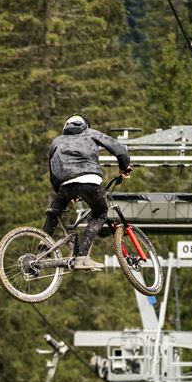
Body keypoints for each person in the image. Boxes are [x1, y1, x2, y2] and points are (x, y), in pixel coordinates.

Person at [43, 115, 132, 270]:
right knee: (100, 214)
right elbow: (120, 151)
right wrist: (124, 168)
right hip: (90, 181)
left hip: (64, 184)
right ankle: (82, 257)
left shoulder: (57, 141)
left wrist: (62, 192)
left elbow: (52, 170)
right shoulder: (91, 133)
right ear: (85, 125)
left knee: (55, 212)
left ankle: (43, 244)